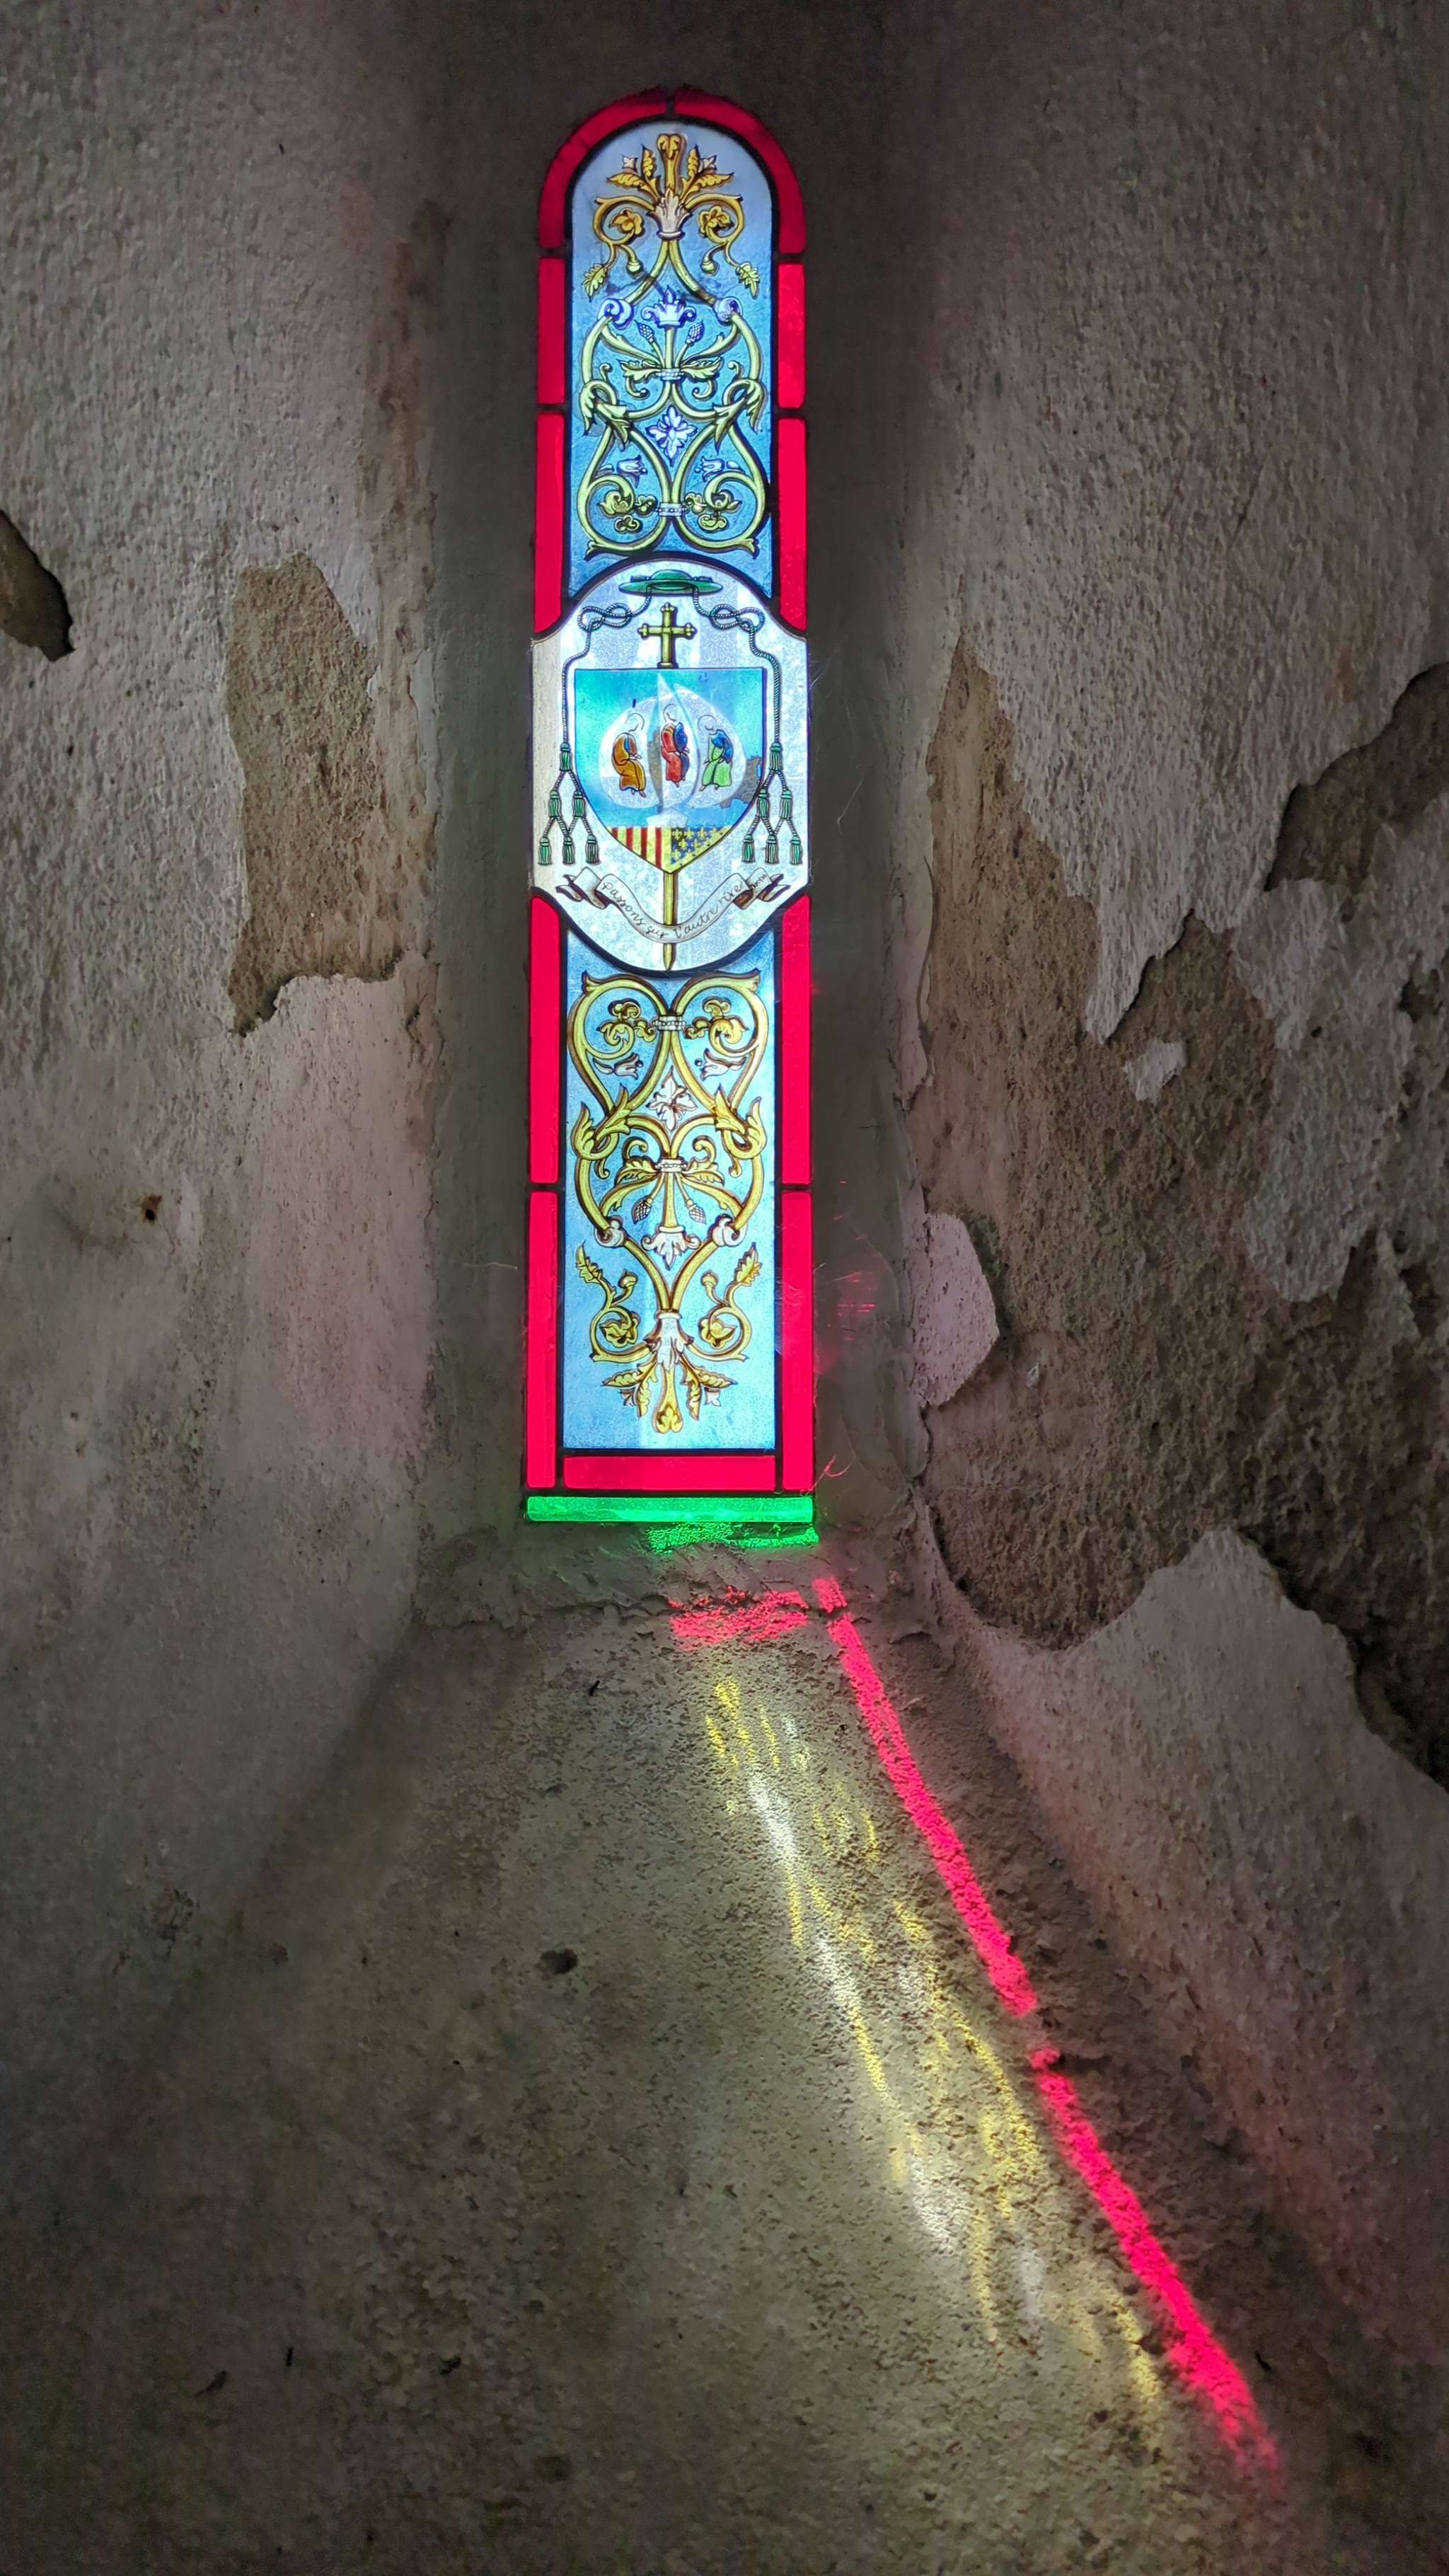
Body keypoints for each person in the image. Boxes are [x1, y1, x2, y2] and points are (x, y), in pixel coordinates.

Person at [611, 727, 646, 796]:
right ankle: (632, 786)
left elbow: (631, 751)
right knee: (633, 768)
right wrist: (631, 756)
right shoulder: (621, 741)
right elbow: (620, 758)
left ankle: (640, 788)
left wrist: (635, 755)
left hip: (627, 760)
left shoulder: (629, 738)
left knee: (638, 767)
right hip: (620, 763)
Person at [700, 726, 733, 791]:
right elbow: (711, 748)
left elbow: (728, 747)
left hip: (722, 758)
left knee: (720, 768)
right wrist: (709, 758)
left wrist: (725, 757)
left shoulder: (721, 736)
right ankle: (705, 784)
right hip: (713, 759)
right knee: (709, 769)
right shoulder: (710, 736)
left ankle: (718, 783)